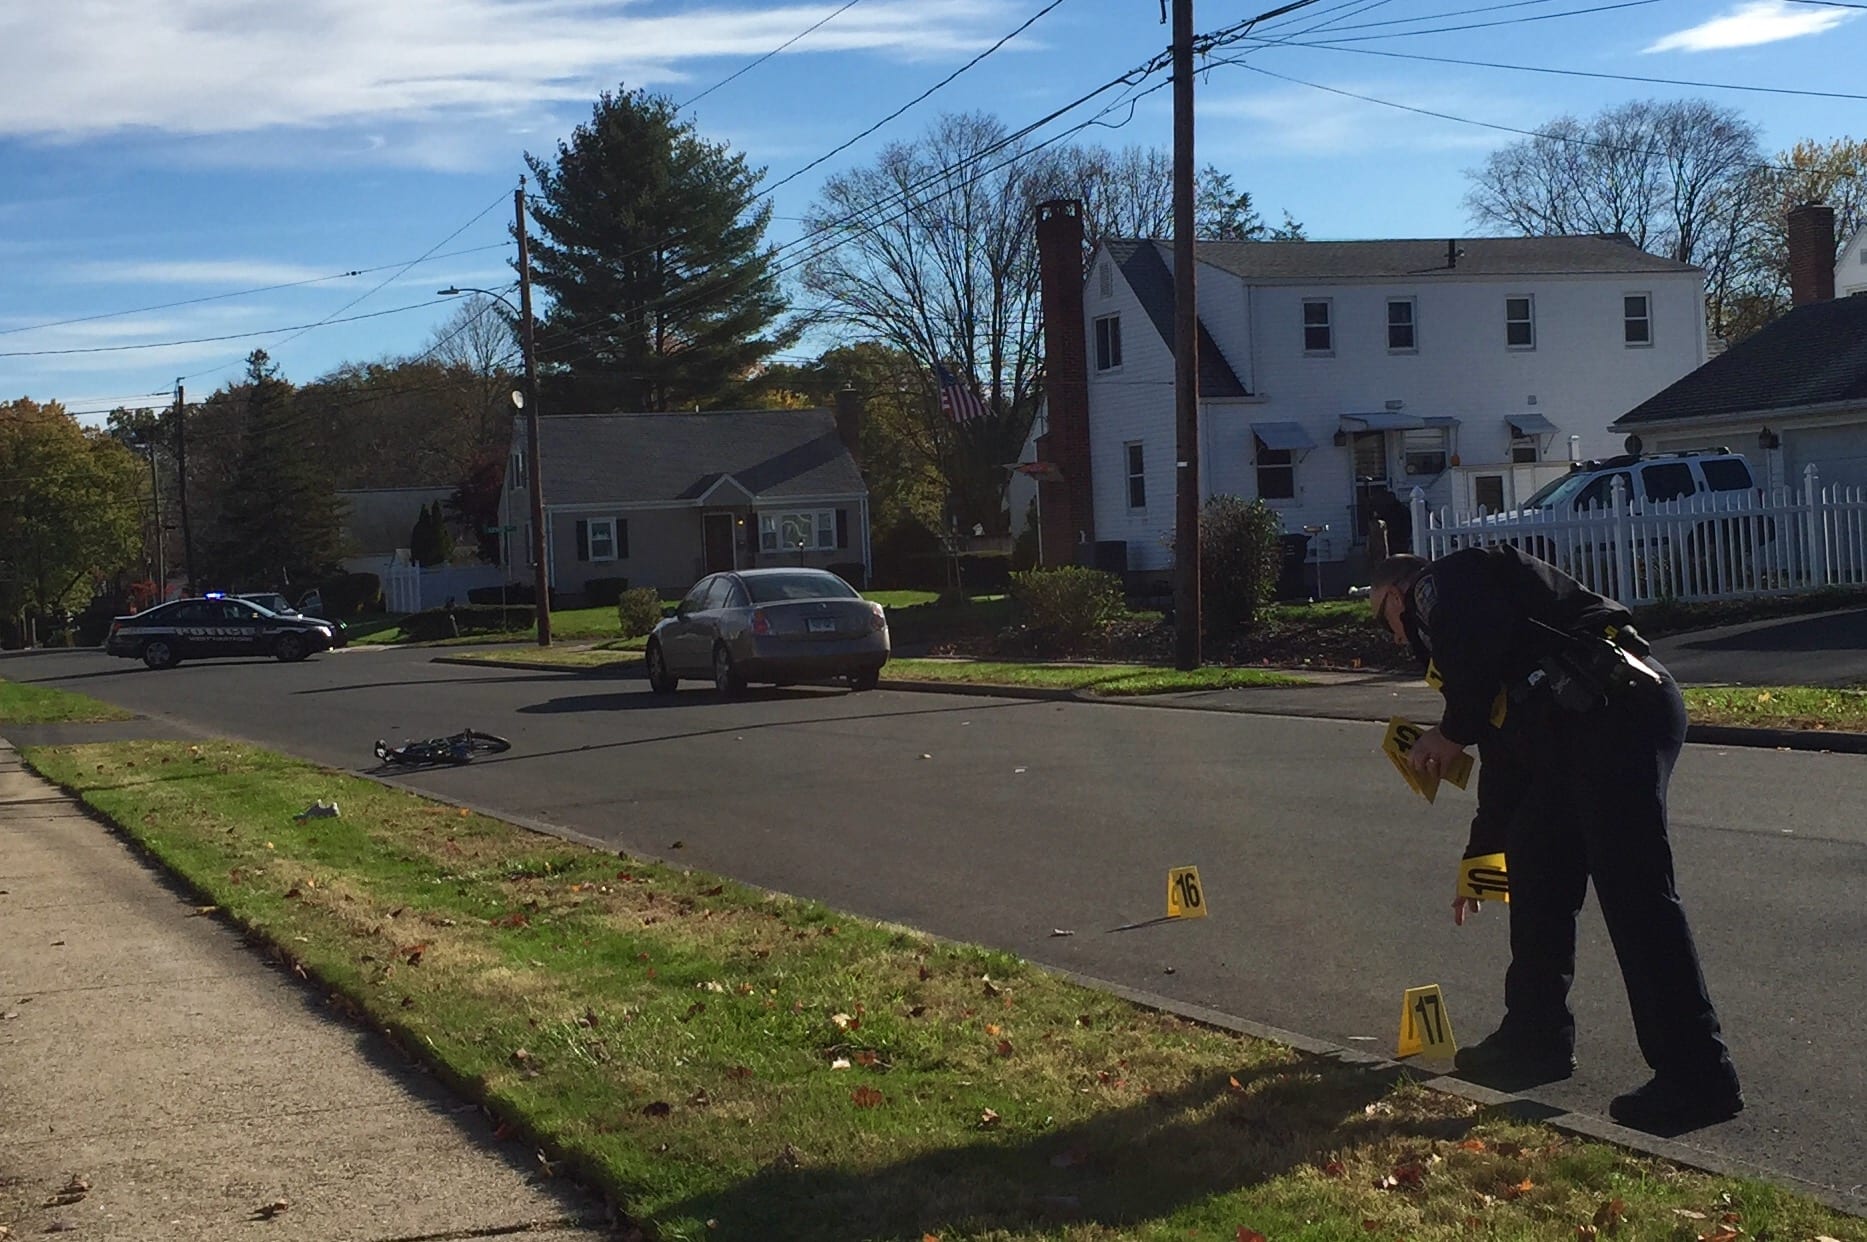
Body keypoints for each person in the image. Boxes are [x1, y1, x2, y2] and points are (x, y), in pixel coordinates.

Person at [1368, 546, 1742, 1134]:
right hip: (1573, 732)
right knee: (1536, 866)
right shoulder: (1491, 658)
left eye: (1382, 619)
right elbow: (1505, 770)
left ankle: (1699, 1077)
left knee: (1636, 893)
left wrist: (1450, 731)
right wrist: (1480, 861)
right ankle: (1534, 1039)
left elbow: (1474, 654)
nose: (1395, 639)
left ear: (1395, 595)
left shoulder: (1443, 584)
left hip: (1613, 710)